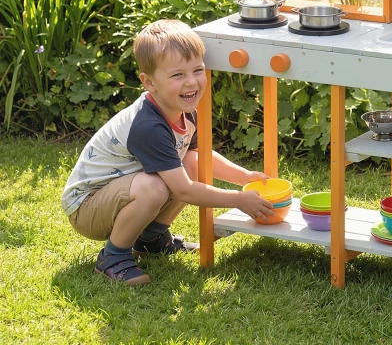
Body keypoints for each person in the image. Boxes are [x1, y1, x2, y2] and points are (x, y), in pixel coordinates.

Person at [62, 19, 275, 286]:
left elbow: (197, 157)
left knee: (190, 164)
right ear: (149, 82)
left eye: (197, 70)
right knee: (155, 187)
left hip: (117, 195)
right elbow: (184, 190)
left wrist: (243, 177)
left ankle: (151, 239)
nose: (191, 83)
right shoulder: (148, 125)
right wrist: (239, 200)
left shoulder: (184, 110)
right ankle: (113, 257)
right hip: (87, 207)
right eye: (177, 75)